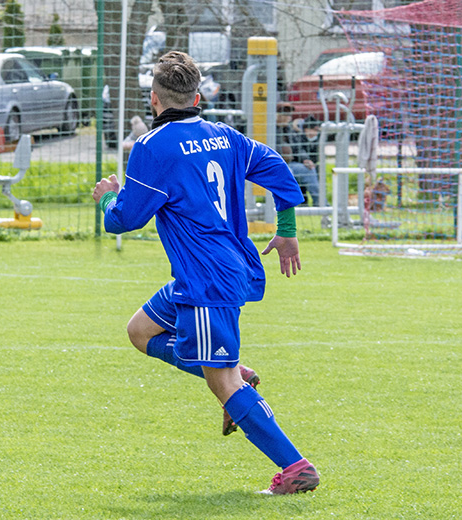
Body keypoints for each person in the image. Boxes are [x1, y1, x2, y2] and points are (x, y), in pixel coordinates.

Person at [91, 51, 319, 495]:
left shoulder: (151, 147)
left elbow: (125, 220)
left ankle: (295, 468)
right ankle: (240, 376)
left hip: (207, 280)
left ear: (154, 100)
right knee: (140, 331)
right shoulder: (225, 136)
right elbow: (277, 167)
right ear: (197, 96)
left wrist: (107, 198)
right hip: (214, 271)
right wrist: (287, 230)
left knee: (222, 382)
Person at [277, 103, 321, 206]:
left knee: (309, 169)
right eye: (285, 114)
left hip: (291, 163)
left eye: (289, 115)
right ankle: (290, 205)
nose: (288, 118)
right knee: (289, 172)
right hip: (276, 165)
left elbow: (298, 148)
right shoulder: (269, 130)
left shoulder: (289, 130)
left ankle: (320, 204)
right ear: (277, 115)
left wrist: (305, 159)